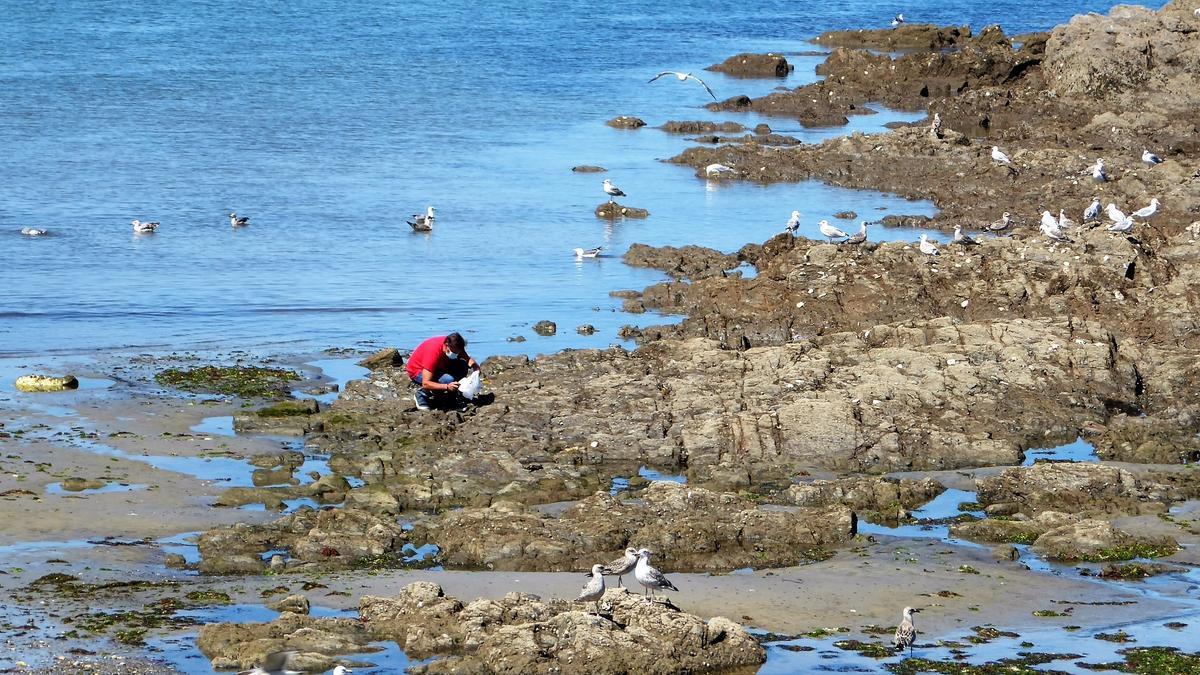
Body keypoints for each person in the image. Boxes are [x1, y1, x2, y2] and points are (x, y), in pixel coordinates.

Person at [406, 332, 480, 411]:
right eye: (454, 352)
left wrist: (476, 368)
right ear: (446, 345)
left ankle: (450, 398)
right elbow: (426, 383)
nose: (456, 354)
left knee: (463, 366)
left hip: (439, 366)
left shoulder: (455, 345)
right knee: (448, 380)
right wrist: (447, 386)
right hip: (417, 370)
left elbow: (467, 359)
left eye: (457, 353)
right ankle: (422, 394)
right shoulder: (432, 352)